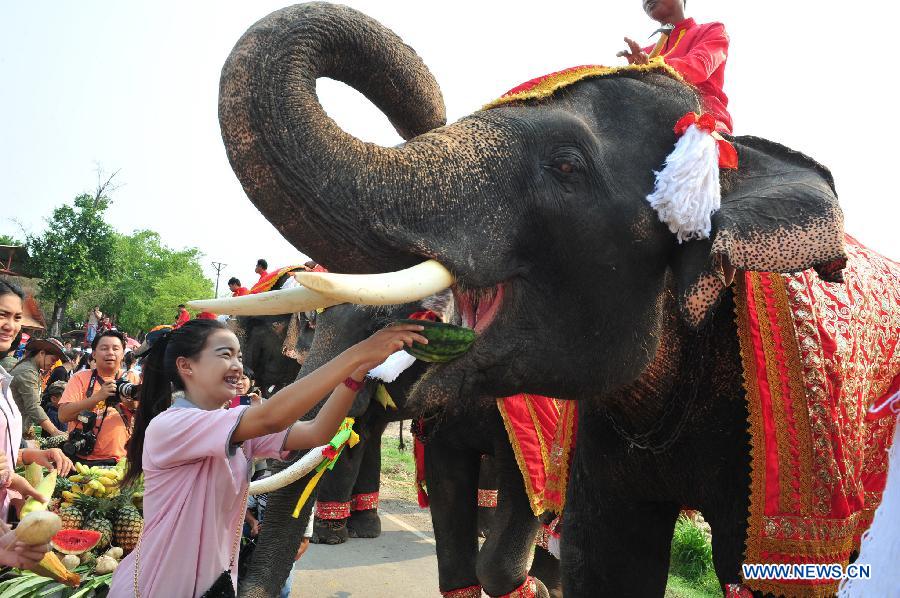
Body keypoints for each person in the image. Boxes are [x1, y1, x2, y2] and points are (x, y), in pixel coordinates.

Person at [107, 318, 426, 597]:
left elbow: (317, 432)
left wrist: (356, 374)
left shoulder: (233, 427)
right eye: (224, 355)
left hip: (213, 586)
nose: (237, 366)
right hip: (158, 586)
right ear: (186, 365)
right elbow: (273, 416)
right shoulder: (172, 425)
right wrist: (357, 352)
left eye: (239, 356)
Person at [0, 280, 75, 528]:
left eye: (17, 317)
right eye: (3, 315)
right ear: (40, 354)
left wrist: (35, 454)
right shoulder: (26, 373)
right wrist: (56, 433)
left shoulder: (4, 377)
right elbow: (34, 407)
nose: (10, 325)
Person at [620, 0, 732, 134]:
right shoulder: (644, 53)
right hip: (652, 122)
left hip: (705, 120)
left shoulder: (712, 30)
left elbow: (699, 67)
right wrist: (631, 73)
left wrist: (650, 68)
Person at [58, 330, 134, 465]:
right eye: (104, 348)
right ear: (94, 354)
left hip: (120, 460)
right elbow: (63, 415)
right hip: (81, 459)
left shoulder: (132, 379)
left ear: (122, 354)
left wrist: (131, 405)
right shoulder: (80, 378)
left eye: (116, 349)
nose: (110, 352)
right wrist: (98, 397)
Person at [9, 337, 68, 437]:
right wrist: (54, 431)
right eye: (53, 360)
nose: (53, 364)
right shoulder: (28, 372)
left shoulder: (31, 369)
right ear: (41, 353)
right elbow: (33, 407)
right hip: (10, 429)